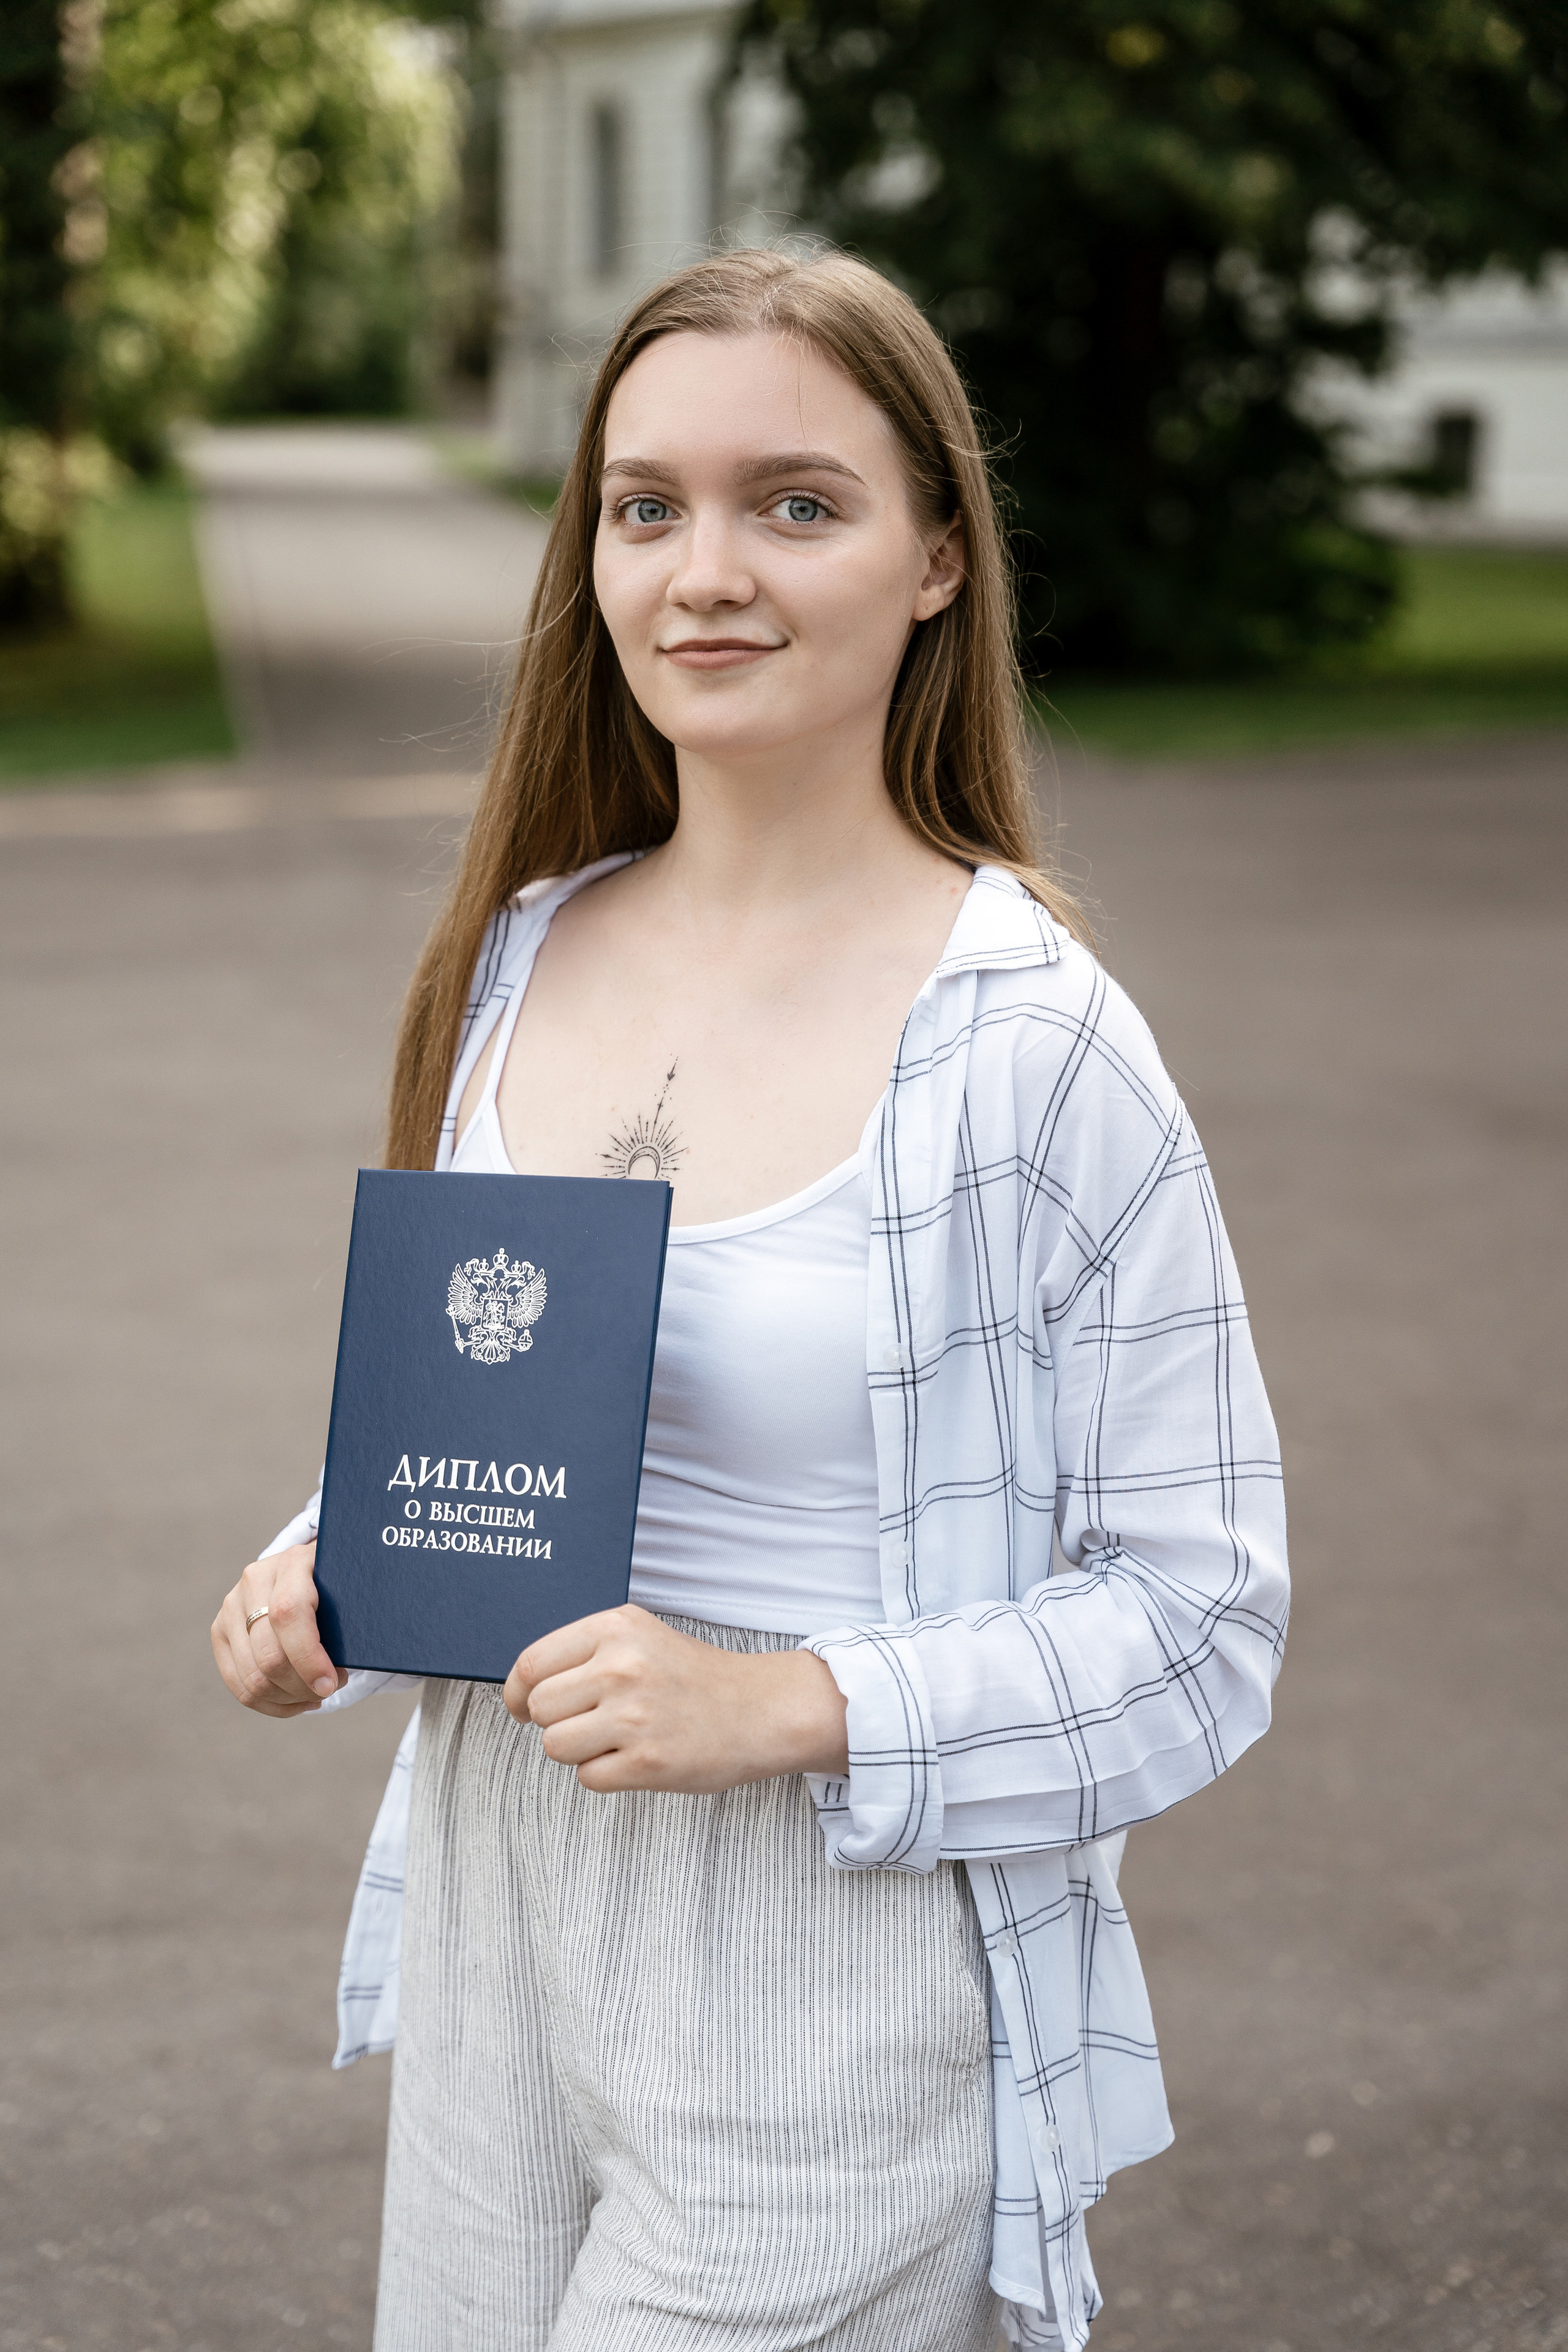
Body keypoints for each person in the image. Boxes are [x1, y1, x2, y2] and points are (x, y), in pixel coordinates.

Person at [211, 247, 1288, 2352]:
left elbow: (1205, 1616)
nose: (707, 570)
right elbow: (495, 1417)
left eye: (797, 502)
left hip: (833, 1971)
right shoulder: (521, 948)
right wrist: (318, 1567)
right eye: (647, 507)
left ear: (937, 562)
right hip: (498, 1922)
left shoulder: (1036, 1048)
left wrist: (784, 1702)